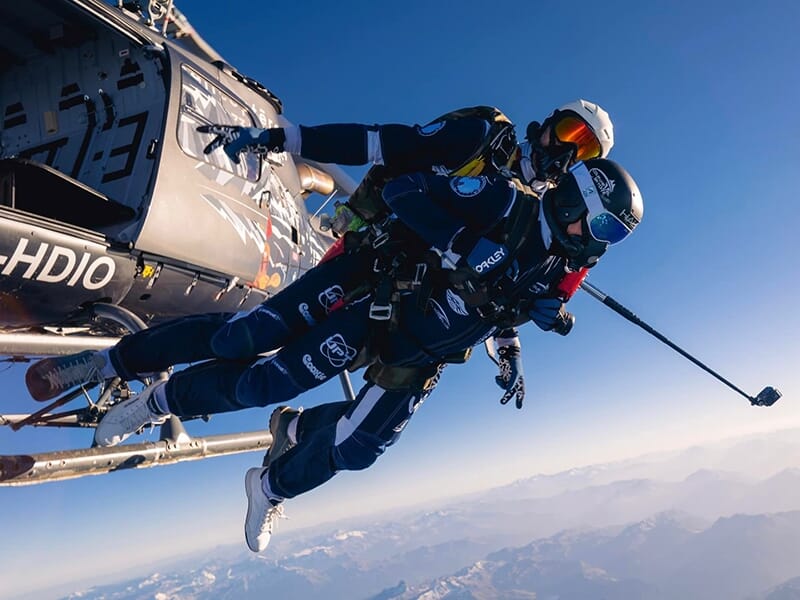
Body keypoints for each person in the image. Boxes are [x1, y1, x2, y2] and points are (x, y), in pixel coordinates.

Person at [29, 154, 644, 553]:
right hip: (381, 307)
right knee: (252, 361)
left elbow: (501, 310)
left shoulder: (564, 265)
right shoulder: (504, 203)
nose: (600, 244)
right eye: (602, 227)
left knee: (355, 450)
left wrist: (526, 331)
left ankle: (270, 481)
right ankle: (129, 374)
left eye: (612, 236)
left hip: (420, 356)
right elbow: (407, 188)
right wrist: (454, 242)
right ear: (573, 203)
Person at [27, 100, 615, 410]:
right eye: (569, 132)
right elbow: (385, 142)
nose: (566, 151)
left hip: (410, 306)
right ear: (547, 125)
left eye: (582, 152)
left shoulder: (539, 218)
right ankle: (108, 364)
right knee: (244, 337)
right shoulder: (484, 136)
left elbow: (503, 297)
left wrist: (508, 352)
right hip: (370, 253)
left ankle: (160, 402)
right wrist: (292, 139)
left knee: (279, 378)